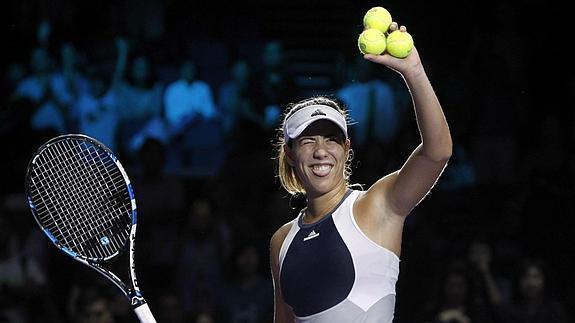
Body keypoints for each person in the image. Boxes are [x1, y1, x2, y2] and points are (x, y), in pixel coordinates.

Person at [269, 22, 452, 323]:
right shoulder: (281, 240)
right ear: (289, 153)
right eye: (308, 140)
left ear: (346, 148)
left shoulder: (377, 204)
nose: (321, 150)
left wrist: (414, 71)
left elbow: (437, 152)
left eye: (331, 139)